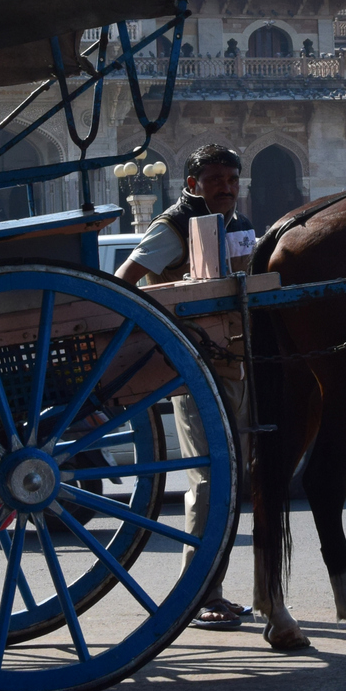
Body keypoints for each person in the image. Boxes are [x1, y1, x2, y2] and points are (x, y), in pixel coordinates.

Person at [116, 144, 254, 627]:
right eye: (216, 180)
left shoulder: (236, 227)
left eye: (232, 180)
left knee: (233, 479)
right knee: (211, 479)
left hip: (233, 363)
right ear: (192, 185)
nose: (227, 188)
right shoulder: (175, 226)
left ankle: (214, 587)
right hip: (196, 368)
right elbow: (125, 281)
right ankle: (201, 594)